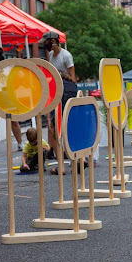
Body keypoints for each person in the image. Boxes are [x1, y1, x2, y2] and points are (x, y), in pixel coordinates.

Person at [40, 31, 77, 174]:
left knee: (64, 124)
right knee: (54, 126)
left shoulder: (66, 56)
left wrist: (62, 75)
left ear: (54, 41)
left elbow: (73, 79)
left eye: (47, 42)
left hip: (67, 91)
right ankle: (62, 157)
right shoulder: (50, 55)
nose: (45, 45)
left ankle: (73, 158)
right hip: (55, 90)